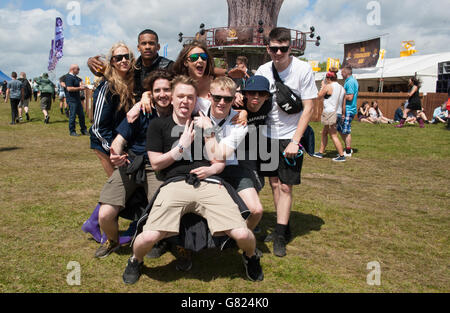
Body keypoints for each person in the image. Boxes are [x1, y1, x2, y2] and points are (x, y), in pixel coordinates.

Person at [121, 75, 263, 284]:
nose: (185, 101)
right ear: (172, 98)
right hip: (175, 184)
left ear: (196, 100)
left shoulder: (203, 122)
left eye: (189, 97)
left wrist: (210, 162)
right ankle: (135, 260)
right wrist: (181, 146)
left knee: (243, 234)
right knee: (149, 236)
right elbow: (157, 163)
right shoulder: (158, 125)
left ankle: (250, 257)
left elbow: (218, 161)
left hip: (209, 183)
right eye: (180, 96)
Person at [254, 27, 318, 257]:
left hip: (290, 135)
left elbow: (309, 107)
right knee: (273, 183)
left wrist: (295, 141)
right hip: (268, 135)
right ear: (267, 48)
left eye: (283, 48)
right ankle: (284, 224)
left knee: (285, 185)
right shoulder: (263, 69)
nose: (278, 52)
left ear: (290, 47)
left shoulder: (302, 69)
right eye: (274, 48)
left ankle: (280, 235)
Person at [89, 42, 137, 178]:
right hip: (106, 145)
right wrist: (115, 150)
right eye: (119, 58)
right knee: (118, 187)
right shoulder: (107, 87)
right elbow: (98, 128)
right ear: (112, 62)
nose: (123, 60)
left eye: (127, 57)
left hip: (125, 143)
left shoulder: (134, 82)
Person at [88, 29, 174, 102]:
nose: (147, 47)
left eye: (151, 43)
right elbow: (104, 72)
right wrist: (90, 62)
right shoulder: (133, 67)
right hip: (136, 116)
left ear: (158, 46)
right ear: (138, 47)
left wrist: (148, 95)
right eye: (144, 43)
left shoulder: (169, 66)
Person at [313, 68, 346, 162]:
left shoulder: (328, 86)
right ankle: (320, 152)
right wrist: (343, 114)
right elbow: (344, 104)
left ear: (328, 78)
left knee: (333, 135)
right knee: (324, 133)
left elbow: (318, 96)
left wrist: (322, 87)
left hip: (330, 113)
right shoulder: (342, 88)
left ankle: (341, 155)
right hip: (338, 113)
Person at [338, 65, 358, 157]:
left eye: (342, 72)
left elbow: (350, 97)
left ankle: (348, 151)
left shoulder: (350, 82)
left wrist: (338, 95)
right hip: (347, 109)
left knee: (346, 130)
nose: (341, 74)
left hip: (349, 109)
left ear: (346, 72)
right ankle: (347, 148)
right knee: (341, 129)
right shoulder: (350, 81)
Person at [65, 64, 88, 136]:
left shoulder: (75, 77)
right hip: (72, 99)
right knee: (73, 115)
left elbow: (80, 82)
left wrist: (84, 86)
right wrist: (80, 88)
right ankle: (72, 131)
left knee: (82, 115)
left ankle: (83, 130)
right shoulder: (69, 77)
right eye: (78, 69)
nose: (79, 70)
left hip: (77, 99)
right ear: (73, 69)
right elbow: (69, 88)